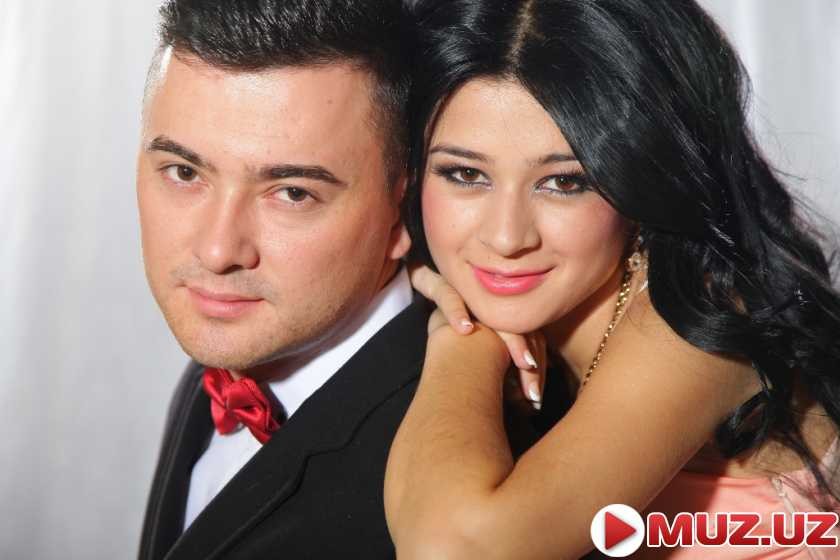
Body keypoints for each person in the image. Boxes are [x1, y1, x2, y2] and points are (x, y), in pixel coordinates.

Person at [385, 0, 840, 558]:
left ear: (645, 179)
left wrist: (460, 340)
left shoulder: (698, 322)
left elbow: (450, 551)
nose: (506, 238)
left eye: (564, 183)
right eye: (465, 174)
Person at [135, 1, 428, 558]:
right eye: (185, 172)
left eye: (292, 193)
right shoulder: (230, 351)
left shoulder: (448, 478)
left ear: (404, 211)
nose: (218, 251)